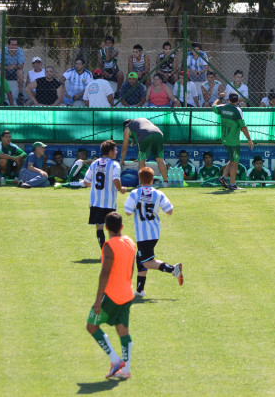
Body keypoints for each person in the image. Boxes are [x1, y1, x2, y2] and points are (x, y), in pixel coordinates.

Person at [85, 212, 135, 380]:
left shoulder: (109, 246)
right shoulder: (130, 242)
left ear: (106, 227)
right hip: (127, 293)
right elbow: (131, 268)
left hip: (113, 295)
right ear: (121, 227)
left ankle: (115, 361)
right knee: (123, 330)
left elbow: (105, 273)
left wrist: (98, 300)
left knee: (91, 326)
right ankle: (126, 369)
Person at [124, 167, 183, 299]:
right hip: (155, 233)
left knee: (146, 262)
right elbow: (169, 211)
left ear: (140, 179)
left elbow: (128, 212)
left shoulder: (135, 193)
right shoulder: (158, 193)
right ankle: (140, 290)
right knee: (140, 259)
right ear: (152, 179)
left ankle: (173, 269)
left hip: (142, 234)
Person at [84, 140, 127, 248]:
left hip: (95, 201)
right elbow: (116, 180)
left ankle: (104, 251)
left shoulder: (94, 163)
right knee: (112, 228)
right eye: (115, 150)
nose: (116, 152)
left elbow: (86, 181)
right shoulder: (114, 165)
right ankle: (112, 251)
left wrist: (95, 185)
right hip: (109, 202)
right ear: (110, 151)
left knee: (99, 227)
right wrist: (121, 189)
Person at [213, 93, 254, 190]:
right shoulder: (237, 110)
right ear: (237, 101)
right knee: (235, 162)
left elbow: (213, 107)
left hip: (225, 139)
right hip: (234, 141)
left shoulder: (222, 108)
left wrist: (219, 98)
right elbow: (243, 127)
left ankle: (223, 177)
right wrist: (249, 140)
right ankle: (232, 184)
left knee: (232, 160)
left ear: (228, 99)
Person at [120, 118, 170, 188]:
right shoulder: (141, 121)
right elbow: (151, 132)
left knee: (142, 161)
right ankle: (166, 183)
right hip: (158, 133)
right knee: (160, 160)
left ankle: (142, 183)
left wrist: (121, 161)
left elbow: (124, 147)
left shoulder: (128, 127)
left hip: (144, 135)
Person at [2, 38, 25, 103]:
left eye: (16, 45)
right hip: (6, 71)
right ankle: (2, 93)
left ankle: (20, 94)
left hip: (15, 72)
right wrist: (9, 68)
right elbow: (0, 65)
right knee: (1, 72)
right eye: (12, 45)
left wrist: (15, 67)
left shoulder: (20, 51)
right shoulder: (4, 51)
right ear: (8, 45)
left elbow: (21, 65)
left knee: (20, 72)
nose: (14, 47)